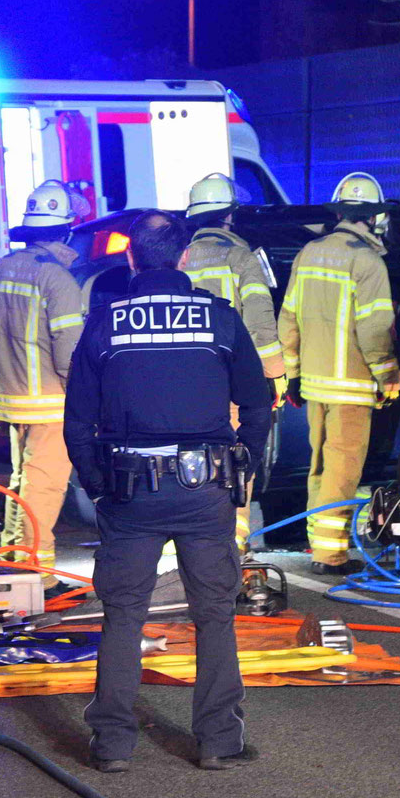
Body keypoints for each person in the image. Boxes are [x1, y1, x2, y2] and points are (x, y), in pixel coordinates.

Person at [63, 211, 273, 772]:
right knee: (214, 614)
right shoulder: (219, 320)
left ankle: (111, 746)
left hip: (129, 491)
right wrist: (244, 461)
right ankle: (219, 742)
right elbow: (258, 400)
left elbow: (77, 420)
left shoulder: (105, 323)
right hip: (205, 487)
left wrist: (98, 485)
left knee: (124, 615)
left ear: (130, 257)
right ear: (185, 257)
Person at [277, 172, 399, 575]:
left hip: (314, 383)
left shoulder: (309, 252)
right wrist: (389, 377)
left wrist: (292, 375)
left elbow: (288, 318)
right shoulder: (367, 261)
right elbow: (375, 330)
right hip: (353, 385)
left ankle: (320, 544)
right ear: (372, 217)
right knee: (343, 470)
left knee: (320, 467)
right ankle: (330, 554)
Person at [0, 181, 87, 577]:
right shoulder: (57, 279)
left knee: (22, 480)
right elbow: (69, 353)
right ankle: (35, 573)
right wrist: (85, 399)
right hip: (50, 402)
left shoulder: (0, 270)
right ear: (65, 230)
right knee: (44, 486)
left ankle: (13, 556)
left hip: (12, 398)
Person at [180, 171, 285, 554]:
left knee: (190, 460)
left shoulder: (180, 259)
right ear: (229, 215)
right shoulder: (241, 257)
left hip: (184, 383)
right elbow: (260, 321)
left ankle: (190, 541)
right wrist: (275, 374)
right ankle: (233, 541)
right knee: (236, 459)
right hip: (230, 381)